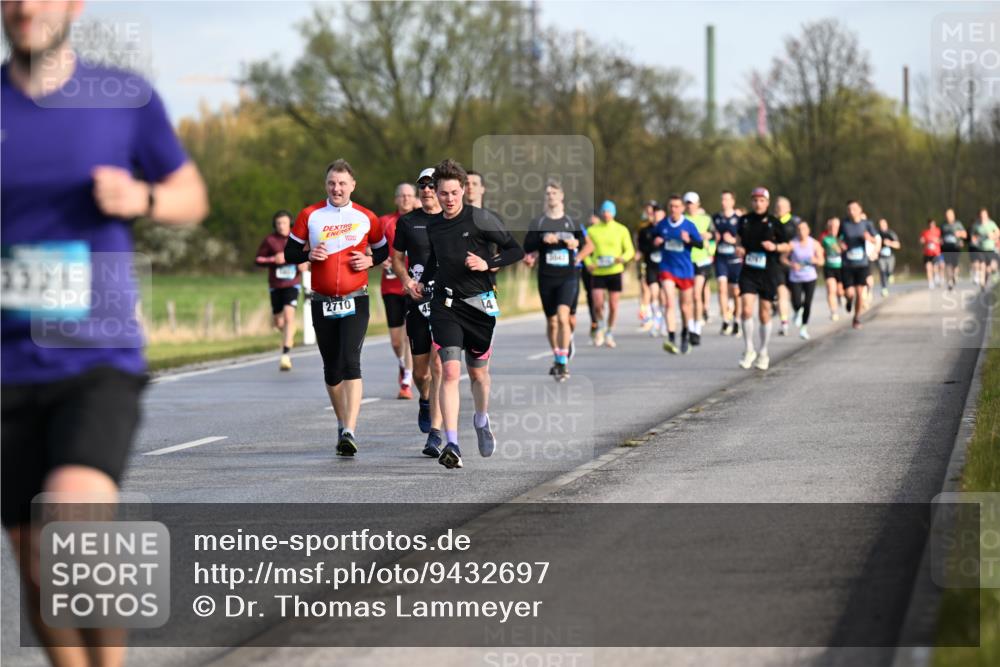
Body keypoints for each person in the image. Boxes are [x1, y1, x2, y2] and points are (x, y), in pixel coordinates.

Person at [1, 2, 209, 664]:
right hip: (6, 364)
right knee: (35, 559)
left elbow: (190, 194)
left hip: (96, 355)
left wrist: (142, 198)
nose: (24, 6)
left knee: (71, 527)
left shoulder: (123, 97)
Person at [413, 159, 524, 470]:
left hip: (479, 305)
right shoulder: (433, 224)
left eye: (453, 192)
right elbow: (435, 258)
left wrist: (487, 264)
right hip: (445, 306)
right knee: (449, 372)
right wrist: (422, 282)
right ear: (434, 192)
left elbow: (516, 250)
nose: (448, 199)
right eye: (443, 193)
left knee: (477, 374)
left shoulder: (481, 219)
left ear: (463, 190)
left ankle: (481, 418)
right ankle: (452, 443)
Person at [284, 160, 388, 456]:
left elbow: (382, 249)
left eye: (342, 183)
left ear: (353, 185)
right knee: (331, 368)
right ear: (325, 185)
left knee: (351, 360)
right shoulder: (310, 215)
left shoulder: (367, 216)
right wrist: (308, 252)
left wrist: (370, 261)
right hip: (322, 301)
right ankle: (341, 421)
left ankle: (350, 430)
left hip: (356, 298)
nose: (337, 188)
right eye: (331, 183)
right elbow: (289, 251)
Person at [394, 168, 445, 456]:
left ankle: (435, 435)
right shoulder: (408, 222)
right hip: (416, 300)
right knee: (421, 371)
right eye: (422, 185)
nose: (427, 190)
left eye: (431, 185)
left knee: (439, 367)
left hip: (444, 301)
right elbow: (397, 259)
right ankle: (424, 399)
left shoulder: (452, 219)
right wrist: (406, 281)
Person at [523, 180, 593, 380]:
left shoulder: (572, 222)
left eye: (554, 193)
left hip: (568, 277)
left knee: (563, 317)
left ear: (562, 196)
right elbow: (528, 246)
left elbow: (587, 245)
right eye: (548, 194)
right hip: (546, 277)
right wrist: (541, 240)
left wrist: (576, 247)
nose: (551, 196)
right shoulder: (538, 223)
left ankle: (562, 362)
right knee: (552, 322)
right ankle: (557, 355)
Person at [735, 187, 788, 370]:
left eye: (762, 200)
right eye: (755, 200)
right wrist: (739, 248)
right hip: (749, 270)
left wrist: (774, 247)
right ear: (752, 202)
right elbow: (738, 240)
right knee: (746, 309)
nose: (758, 203)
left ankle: (763, 352)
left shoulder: (774, 222)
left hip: (768, 271)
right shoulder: (744, 220)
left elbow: (787, 245)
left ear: (767, 202)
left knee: (764, 313)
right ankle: (749, 348)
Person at [378, 183, 418, 399]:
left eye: (409, 195)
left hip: (412, 286)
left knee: (409, 335)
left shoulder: (421, 221)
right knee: (395, 341)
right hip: (391, 286)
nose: (405, 199)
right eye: (401, 195)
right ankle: (403, 365)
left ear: (414, 199)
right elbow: (371, 248)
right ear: (396, 200)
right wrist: (381, 258)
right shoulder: (385, 222)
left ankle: (406, 381)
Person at [255, 210, 307, 371]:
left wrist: (304, 263)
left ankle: (285, 355)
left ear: (290, 223)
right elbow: (258, 259)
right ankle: (289, 332)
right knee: (278, 322)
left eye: (284, 223)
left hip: (292, 283)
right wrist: (273, 259)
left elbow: (308, 257)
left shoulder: (297, 239)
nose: (281, 226)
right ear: (275, 225)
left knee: (289, 315)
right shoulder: (270, 240)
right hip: (275, 285)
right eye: (278, 223)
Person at [654, 195, 704, 354]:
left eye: (677, 206)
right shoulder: (662, 225)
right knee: (669, 301)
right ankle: (670, 337)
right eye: (671, 206)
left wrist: (689, 240)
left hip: (685, 270)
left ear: (682, 208)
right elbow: (652, 237)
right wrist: (655, 241)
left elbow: (701, 245)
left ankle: (684, 335)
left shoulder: (689, 225)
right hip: (667, 267)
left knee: (685, 307)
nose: (674, 209)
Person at [583, 200, 635, 348]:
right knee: (598, 304)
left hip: (615, 271)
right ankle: (600, 327)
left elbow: (629, 250)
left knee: (613, 305)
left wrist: (622, 258)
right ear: (601, 213)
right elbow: (585, 250)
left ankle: (610, 332)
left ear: (614, 213)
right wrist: (588, 263)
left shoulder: (621, 229)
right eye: (604, 211)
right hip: (598, 271)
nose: (606, 214)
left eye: (609, 211)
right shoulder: (593, 230)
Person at [838, 200, 878, 329]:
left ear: (860, 210)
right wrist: (841, 244)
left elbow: (876, 239)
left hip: (862, 264)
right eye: (849, 209)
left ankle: (856, 318)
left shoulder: (867, 224)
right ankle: (849, 301)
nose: (851, 211)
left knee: (860, 293)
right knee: (850, 293)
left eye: (854, 209)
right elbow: (839, 238)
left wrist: (869, 239)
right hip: (847, 264)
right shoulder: (844, 224)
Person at [684, 192, 714, 344]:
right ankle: (690, 325)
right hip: (686, 261)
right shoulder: (682, 220)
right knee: (687, 297)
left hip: (702, 259)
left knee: (697, 294)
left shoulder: (706, 219)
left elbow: (715, 235)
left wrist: (707, 235)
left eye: (692, 203)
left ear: (698, 204)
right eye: (687, 203)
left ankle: (696, 328)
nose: (690, 206)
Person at [786, 221, 823, 340]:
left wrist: (815, 260)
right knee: (796, 302)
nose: (801, 232)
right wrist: (792, 264)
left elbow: (822, 261)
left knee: (807, 303)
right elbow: (783, 258)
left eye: (804, 229)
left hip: (810, 277)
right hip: (795, 277)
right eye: (799, 229)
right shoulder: (792, 243)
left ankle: (804, 328)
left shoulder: (814, 243)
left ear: (808, 230)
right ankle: (797, 311)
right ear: (797, 231)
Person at [712, 190, 743, 335]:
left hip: (735, 260)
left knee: (736, 292)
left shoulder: (739, 219)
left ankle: (737, 320)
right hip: (721, 259)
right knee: (722, 289)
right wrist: (714, 237)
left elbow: (743, 239)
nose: (724, 202)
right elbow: (710, 235)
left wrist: (733, 241)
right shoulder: (716, 218)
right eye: (722, 199)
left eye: (727, 199)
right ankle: (725, 320)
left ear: (733, 202)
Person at [773, 196, 800, 336]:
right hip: (777, 264)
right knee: (781, 293)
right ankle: (784, 324)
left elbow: (801, 241)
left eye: (782, 207)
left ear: (788, 208)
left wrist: (788, 250)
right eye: (777, 206)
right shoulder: (771, 223)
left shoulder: (795, 223)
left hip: (793, 263)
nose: (779, 209)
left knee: (796, 298)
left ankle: (797, 310)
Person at [635, 201, 658, 332]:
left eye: (651, 211)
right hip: (645, 261)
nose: (649, 214)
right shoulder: (642, 226)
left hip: (657, 261)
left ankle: (655, 312)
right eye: (647, 211)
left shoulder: (659, 226)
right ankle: (646, 315)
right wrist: (638, 252)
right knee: (644, 287)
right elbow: (638, 242)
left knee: (654, 289)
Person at [820, 217, 844, 320]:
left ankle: (840, 296)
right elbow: (819, 250)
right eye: (831, 226)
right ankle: (833, 312)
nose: (833, 228)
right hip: (829, 267)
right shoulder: (824, 238)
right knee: (831, 289)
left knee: (840, 291)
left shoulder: (843, 237)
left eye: (836, 226)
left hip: (842, 268)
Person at [971, 208, 999, 289]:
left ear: (987, 215)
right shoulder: (976, 225)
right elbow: (973, 236)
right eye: (981, 215)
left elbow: (998, 233)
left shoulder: (991, 223)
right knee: (982, 266)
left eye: (984, 215)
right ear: (979, 216)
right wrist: (974, 240)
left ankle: (985, 281)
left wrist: (993, 236)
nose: (983, 216)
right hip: (981, 249)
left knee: (990, 268)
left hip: (990, 249)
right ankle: (982, 284)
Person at [940, 208, 967, 290]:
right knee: (948, 264)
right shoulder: (943, 225)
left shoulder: (958, 224)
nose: (948, 217)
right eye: (947, 215)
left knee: (955, 265)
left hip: (956, 247)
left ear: (953, 215)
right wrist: (940, 240)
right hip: (946, 248)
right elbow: (940, 236)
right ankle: (950, 282)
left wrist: (959, 234)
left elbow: (965, 234)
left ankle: (954, 276)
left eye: (950, 215)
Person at [876, 218, 901, 297]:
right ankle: (884, 289)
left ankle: (890, 275)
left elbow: (898, 245)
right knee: (882, 271)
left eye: (883, 224)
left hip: (890, 257)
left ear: (886, 225)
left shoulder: (891, 233)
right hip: (881, 257)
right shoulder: (877, 234)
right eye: (880, 225)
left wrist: (890, 243)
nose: (882, 226)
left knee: (888, 271)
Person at [920, 219, 943, 289]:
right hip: (927, 253)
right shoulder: (925, 232)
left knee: (935, 267)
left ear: (935, 224)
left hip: (936, 253)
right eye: (930, 224)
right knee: (928, 268)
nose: (931, 225)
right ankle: (930, 282)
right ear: (928, 225)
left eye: (933, 224)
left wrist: (936, 240)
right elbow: (921, 240)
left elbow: (942, 240)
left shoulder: (938, 231)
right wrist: (923, 241)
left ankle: (936, 276)